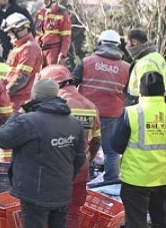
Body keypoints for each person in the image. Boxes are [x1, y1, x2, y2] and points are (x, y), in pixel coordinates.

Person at [0, 79, 87, 228]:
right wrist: (65, 179)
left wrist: (18, 113)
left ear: (34, 97)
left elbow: (2, 139)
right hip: (62, 192)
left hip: (34, 194)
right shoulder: (74, 123)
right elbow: (80, 158)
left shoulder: (29, 121)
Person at [43, 64, 102, 228]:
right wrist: (87, 163)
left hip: (56, 170)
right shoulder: (90, 106)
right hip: (80, 169)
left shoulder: (54, 104)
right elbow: (96, 141)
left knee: (49, 216)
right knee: (72, 215)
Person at [73, 30, 129, 182]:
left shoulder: (87, 61)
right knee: (111, 152)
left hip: (86, 112)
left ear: (100, 43)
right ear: (119, 45)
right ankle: (110, 182)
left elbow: (72, 83)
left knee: (82, 147)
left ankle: (81, 178)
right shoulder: (126, 67)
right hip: (113, 114)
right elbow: (129, 93)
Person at [111, 72, 166, 228]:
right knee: (161, 222)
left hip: (136, 179)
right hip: (163, 178)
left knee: (136, 223)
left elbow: (116, 145)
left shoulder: (132, 112)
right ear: (163, 91)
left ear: (140, 91)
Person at [2, 12, 43, 111]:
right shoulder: (20, 48)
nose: (8, 34)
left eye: (10, 31)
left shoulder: (29, 48)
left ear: (19, 30)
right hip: (13, 100)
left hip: (19, 102)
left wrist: (4, 94)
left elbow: (21, 78)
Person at [124, 28, 166, 101]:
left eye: (127, 43)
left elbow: (148, 90)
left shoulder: (146, 63)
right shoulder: (156, 56)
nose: (126, 46)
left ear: (135, 42)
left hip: (140, 103)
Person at [35, 0, 72, 66]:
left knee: (51, 76)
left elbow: (66, 38)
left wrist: (62, 55)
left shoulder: (62, 15)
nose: (43, 1)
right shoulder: (40, 13)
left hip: (53, 53)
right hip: (40, 52)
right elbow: (37, 33)